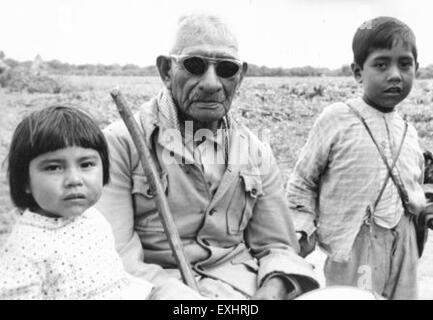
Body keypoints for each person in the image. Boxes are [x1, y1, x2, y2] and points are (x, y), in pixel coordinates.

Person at [96, 14, 319, 300]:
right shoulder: (121, 143)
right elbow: (115, 259)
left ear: (241, 76)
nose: (212, 83)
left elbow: (277, 246)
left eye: (226, 69)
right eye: (195, 65)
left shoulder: (255, 152)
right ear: (166, 70)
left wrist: (274, 288)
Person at [286, 16, 426, 300]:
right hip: (353, 244)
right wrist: (301, 229)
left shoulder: (409, 132)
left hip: (405, 244)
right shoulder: (336, 118)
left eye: (405, 64)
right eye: (381, 64)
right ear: (358, 72)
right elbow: (302, 182)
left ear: (416, 69)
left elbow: (417, 187)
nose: (395, 75)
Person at [0, 106, 154, 299]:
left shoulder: (93, 217)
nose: (74, 179)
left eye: (86, 164)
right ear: (25, 181)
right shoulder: (24, 251)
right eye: (54, 167)